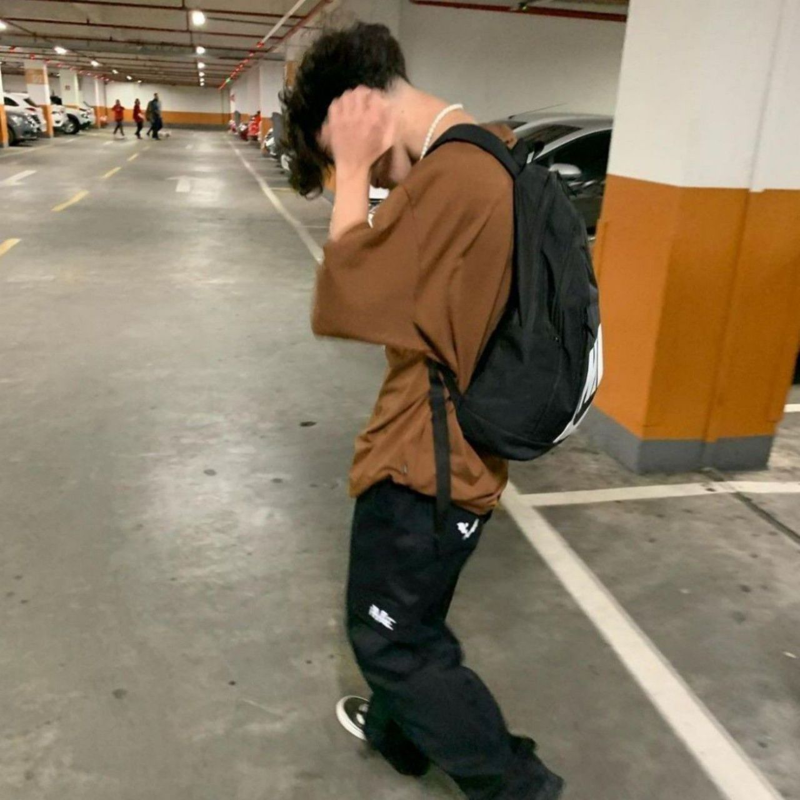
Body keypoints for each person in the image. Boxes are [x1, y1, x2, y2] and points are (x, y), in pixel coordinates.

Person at [282, 22, 564, 800]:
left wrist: (350, 171)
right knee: (412, 620)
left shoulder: (455, 180)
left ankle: (519, 787)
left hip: (425, 464)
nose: (376, 176)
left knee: (391, 642)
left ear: (362, 108)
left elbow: (343, 297)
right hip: (455, 453)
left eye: (352, 143)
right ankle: (397, 735)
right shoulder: (489, 149)